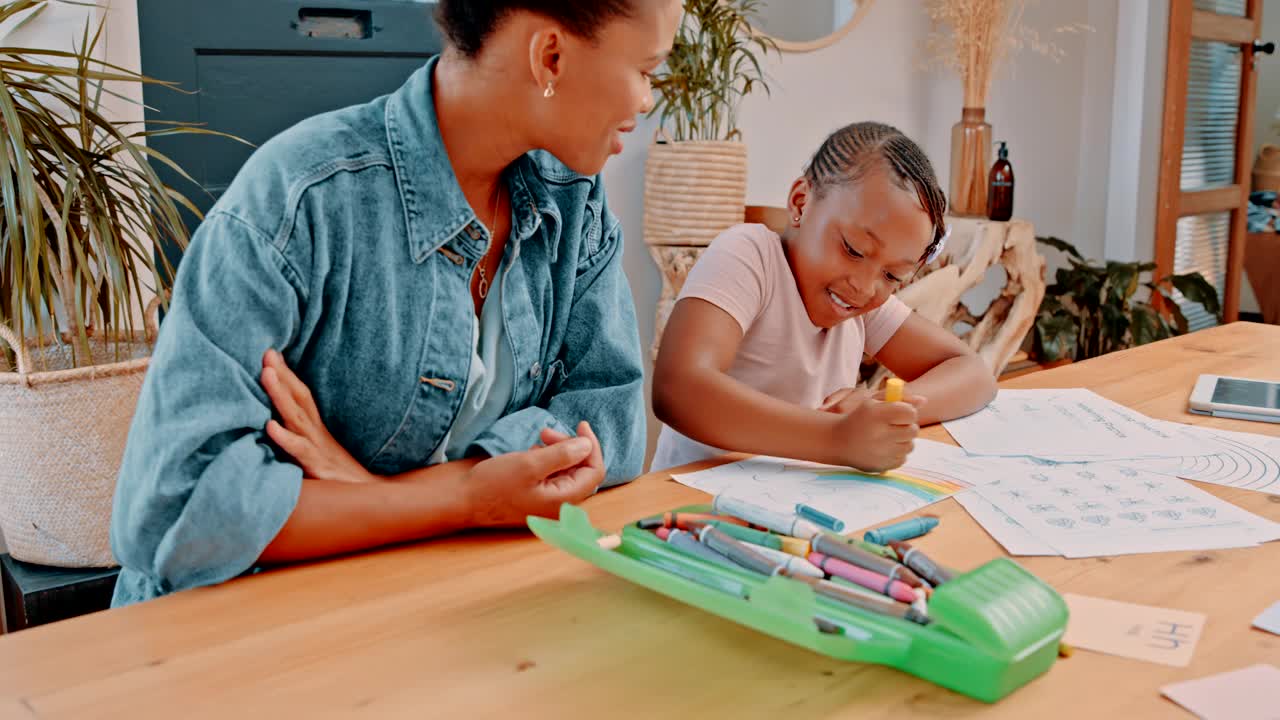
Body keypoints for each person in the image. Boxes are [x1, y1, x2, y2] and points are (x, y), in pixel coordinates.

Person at [109, 0, 682, 606]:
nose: (646, 102)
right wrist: (466, 496)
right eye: (646, 70)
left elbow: (611, 421)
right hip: (237, 635)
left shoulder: (573, 199)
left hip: (432, 610)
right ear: (551, 56)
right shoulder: (302, 197)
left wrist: (367, 490)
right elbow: (172, 511)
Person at [651, 121, 998, 472]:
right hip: (687, 507)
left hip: (788, 505)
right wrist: (836, 438)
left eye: (892, 275)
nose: (865, 287)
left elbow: (974, 373)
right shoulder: (750, 256)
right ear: (801, 203)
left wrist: (882, 413)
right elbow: (678, 388)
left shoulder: (862, 306)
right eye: (853, 249)